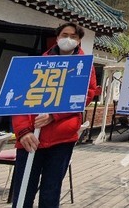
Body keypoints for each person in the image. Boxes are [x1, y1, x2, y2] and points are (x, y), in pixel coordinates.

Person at [11, 22, 97, 208]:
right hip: (30, 137)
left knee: (51, 191)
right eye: (64, 34)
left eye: (73, 36)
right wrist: (23, 131)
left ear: (79, 40)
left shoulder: (85, 67)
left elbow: (85, 95)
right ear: (57, 38)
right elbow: (18, 98)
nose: (68, 39)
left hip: (62, 138)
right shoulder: (37, 64)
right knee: (23, 190)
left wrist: (54, 115)